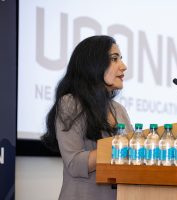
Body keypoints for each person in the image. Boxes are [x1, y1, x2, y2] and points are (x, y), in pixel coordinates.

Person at [41, 35, 133, 200]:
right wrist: (116, 146)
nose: (123, 66)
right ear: (94, 65)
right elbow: (75, 164)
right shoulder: (71, 103)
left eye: (121, 59)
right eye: (114, 59)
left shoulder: (119, 110)